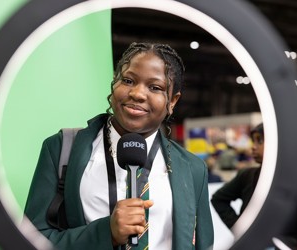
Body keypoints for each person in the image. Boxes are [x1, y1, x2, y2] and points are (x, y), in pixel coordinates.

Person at [24, 42, 214, 250]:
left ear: (172, 101)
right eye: (128, 80)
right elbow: (32, 240)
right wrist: (106, 233)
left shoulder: (193, 169)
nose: (138, 94)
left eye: (155, 87)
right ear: (114, 83)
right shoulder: (62, 148)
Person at [210, 123, 264, 229]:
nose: (253, 147)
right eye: (253, 141)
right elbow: (218, 199)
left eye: (260, 141)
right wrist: (239, 228)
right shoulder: (247, 175)